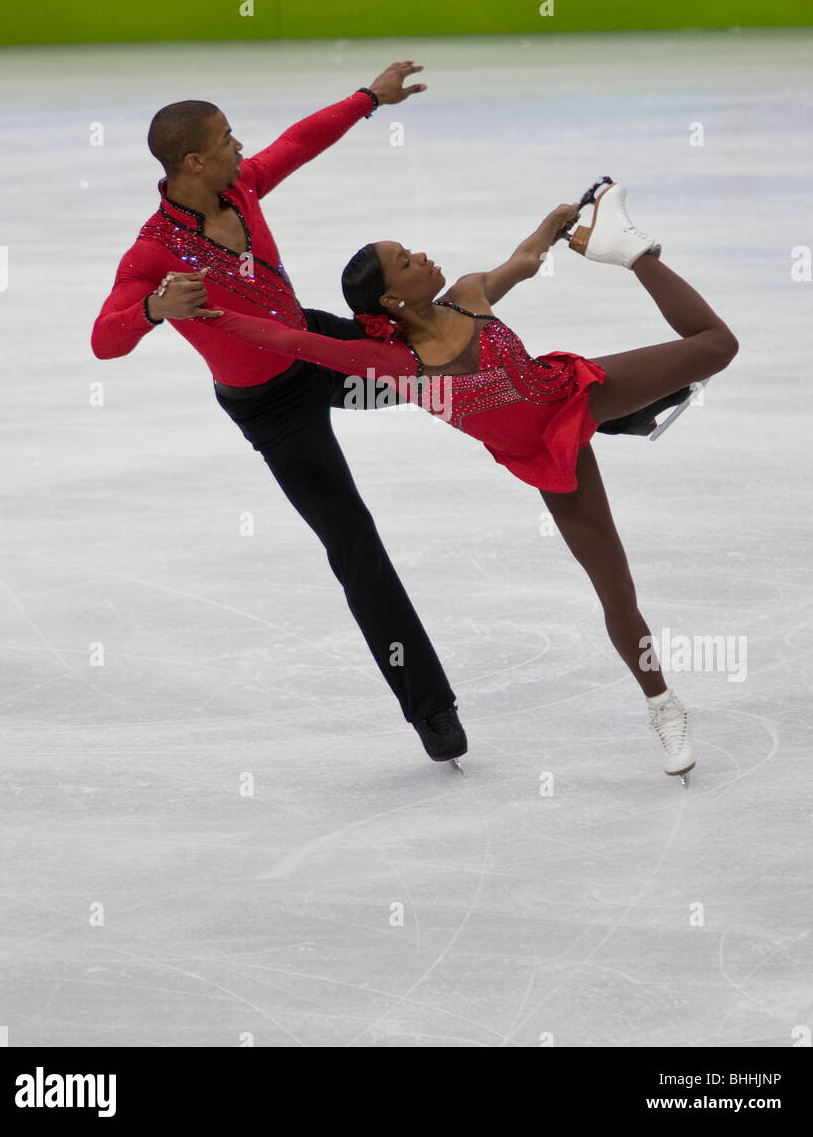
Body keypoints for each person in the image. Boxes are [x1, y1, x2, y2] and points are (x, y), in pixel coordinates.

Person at [191, 178, 740, 783]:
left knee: (717, 344)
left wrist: (559, 219)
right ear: (392, 301)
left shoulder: (469, 294)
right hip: (547, 459)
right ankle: (663, 706)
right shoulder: (396, 363)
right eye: (405, 261)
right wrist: (220, 319)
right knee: (616, 591)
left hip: (577, 392)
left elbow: (525, 260)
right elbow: (295, 339)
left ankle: (632, 250)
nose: (421, 256)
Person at [91, 63, 470, 764]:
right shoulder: (153, 252)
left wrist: (368, 99)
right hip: (274, 412)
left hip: (318, 347)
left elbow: (296, 144)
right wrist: (151, 309)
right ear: (193, 160)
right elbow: (102, 340)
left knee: (449, 363)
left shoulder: (241, 186)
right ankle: (431, 708)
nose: (242, 147)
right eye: (228, 139)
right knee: (355, 543)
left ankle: (600, 407)